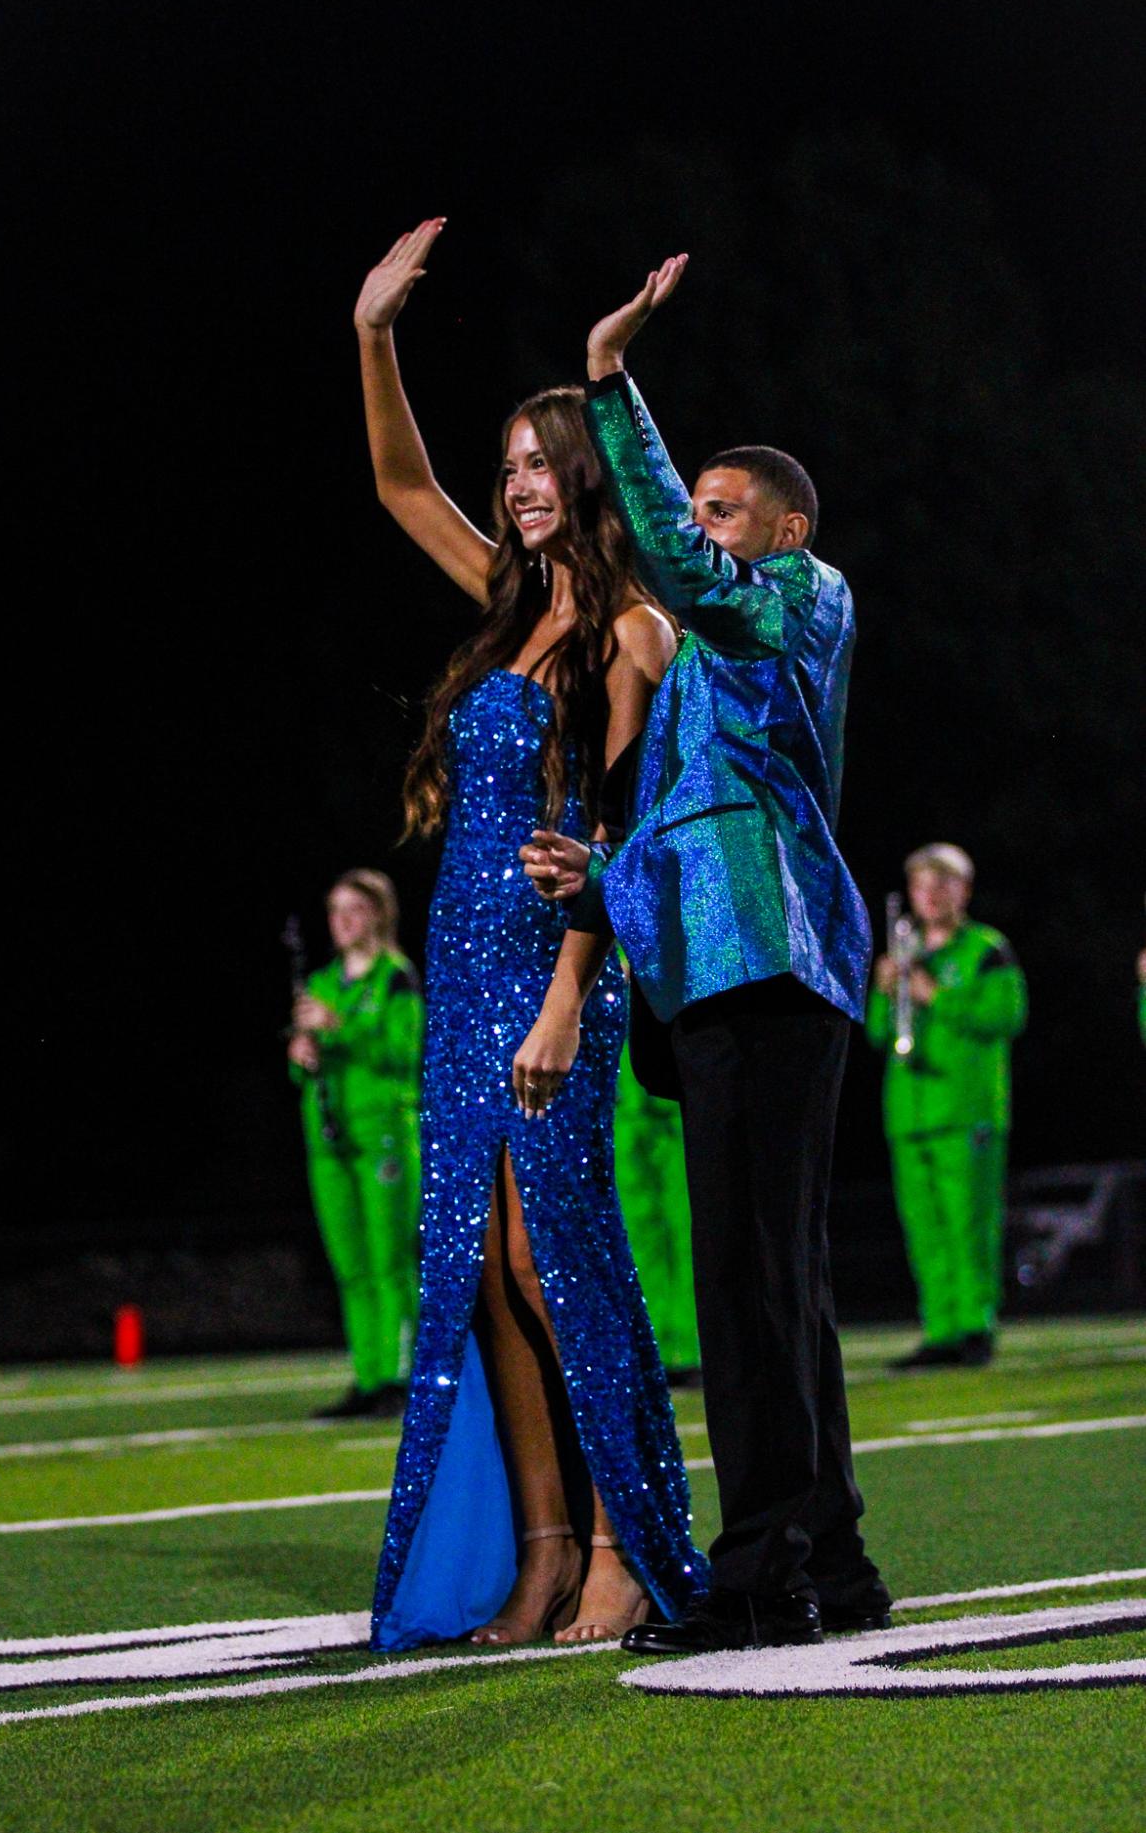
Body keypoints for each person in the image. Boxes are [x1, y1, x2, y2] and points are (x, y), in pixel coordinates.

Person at [522, 253, 890, 1654]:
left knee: (749, 1280)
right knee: (771, 1278)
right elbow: (686, 824)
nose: (702, 532)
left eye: (725, 512)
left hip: (768, 961)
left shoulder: (800, 594)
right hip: (729, 966)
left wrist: (610, 382)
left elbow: (676, 557)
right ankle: (827, 1559)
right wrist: (601, 876)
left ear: (782, 525)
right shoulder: (709, 674)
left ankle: (760, 1575)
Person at [354, 220, 701, 1653]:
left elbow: (613, 835)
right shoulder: (504, 614)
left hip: (560, 975)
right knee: (481, 1268)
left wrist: (568, 998)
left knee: (560, 1259)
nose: (515, 487)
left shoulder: (631, 631)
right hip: (460, 966)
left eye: (538, 463)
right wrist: (372, 331)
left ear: (587, 473)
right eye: (507, 469)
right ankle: (545, 1554)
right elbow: (396, 482)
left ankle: (627, 1551)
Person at [866, 843, 1028, 1369]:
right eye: (922, 885)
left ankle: (974, 1326)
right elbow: (876, 1035)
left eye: (944, 884)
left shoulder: (986, 949)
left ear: (965, 890)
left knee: (970, 1224)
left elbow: (1007, 1016)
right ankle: (939, 1330)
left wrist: (937, 995)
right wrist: (885, 992)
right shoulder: (905, 954)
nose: (932, 895)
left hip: (966, 1111)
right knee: (925, 1229)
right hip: (910, 1116)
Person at [288, 869, 424, 1417]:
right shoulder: (322, 981)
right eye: (334, 911)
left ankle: (405, 1376)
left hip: (384, 1132)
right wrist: (302, 1055)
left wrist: (339, 1028)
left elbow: (406, 1055)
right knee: (351, 1265)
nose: (341, 922)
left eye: (353, 909)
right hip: (329, 1139)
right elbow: (309, 1069)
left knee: (391, 1259)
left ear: (378, 915)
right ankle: (368, 1376)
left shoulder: (396, 978)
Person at [613, 975, 702, 1384]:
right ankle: (658, 1352)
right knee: (641, 1241)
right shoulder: (596, 947)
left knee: (687, 1233)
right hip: (627, 1112)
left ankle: (695, 1349)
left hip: (671, 1105)